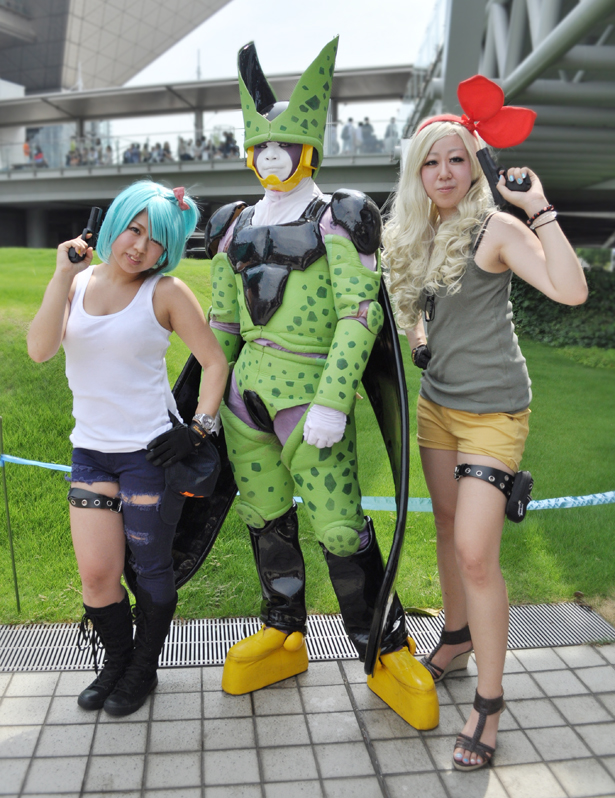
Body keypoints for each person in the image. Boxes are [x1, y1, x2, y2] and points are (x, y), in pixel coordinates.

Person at [206, 37, 438, 731]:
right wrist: (204, 401)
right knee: (263, 517)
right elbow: (221, 321)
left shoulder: (341, 215)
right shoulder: (231, 224)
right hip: (244, 397)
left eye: (284, 143)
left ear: (307, 148)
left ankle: (384, 646)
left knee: (339, 528)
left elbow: (359, 313)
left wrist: (335, 400)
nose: (271, 155)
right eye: (261, 144)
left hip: (311, 398)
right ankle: (283, 628)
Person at [382, 76, 588, 770]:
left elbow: (570, 290)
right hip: (437, 405)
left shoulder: (494, 226)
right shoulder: (417, 230)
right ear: (417, 172)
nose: (443, 173)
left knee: (475, 552)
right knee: (444, 529)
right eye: (430, 162)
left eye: (455, 159)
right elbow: (420, 302)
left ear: (474, 165)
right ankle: (456, 637)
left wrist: (538, 210)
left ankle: (489, 704)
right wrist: (418, 339)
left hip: (494, 411)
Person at [27, 181, 228, 717]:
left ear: (170, 249)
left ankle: (143, 669)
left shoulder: (165, 292)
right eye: (134, 230)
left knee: (150, 569)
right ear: (115, 223)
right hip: (90, 451)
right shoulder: (76, 282)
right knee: (97, 575)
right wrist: (61, 275)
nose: (140, 247)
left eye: (157, 240)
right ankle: (115, 662)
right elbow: (40, 349)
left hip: (150, 453)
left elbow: (214, 361)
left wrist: (199, 427)